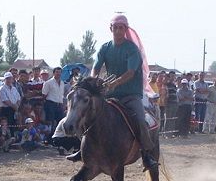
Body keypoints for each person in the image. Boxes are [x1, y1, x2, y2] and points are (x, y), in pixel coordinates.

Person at [67, 14, 158, 170]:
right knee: (86, 113)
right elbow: (96, 67)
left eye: (120, 27)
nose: (117, 30)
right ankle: (81, 149)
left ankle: (147, 154)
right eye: (114, 27)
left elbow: (130, 72)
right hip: (108, 95)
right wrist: (93, 80)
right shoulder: (105, 48)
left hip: (130, 95)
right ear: (110, 29)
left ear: (125, 29)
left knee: (141, 120)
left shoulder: (132, 49)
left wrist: (114, 83)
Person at [41, 67, 65, 142]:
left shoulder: (62, 83)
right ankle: (49, 139)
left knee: (60, 122)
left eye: (59, 72)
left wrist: (62, 104)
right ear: (53, 73)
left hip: (59, 104)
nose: (58, 73)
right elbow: (44, 95)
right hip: (50, 103)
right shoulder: (48, 83)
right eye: (57, 72)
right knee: (50, 122)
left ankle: (58, 139)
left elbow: (61, 95)